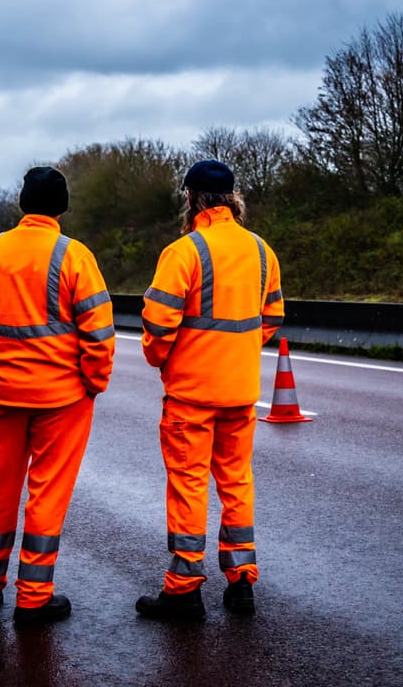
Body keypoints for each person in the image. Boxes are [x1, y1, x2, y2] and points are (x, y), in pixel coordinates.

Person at [0, 166, 116, 627]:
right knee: (47, 494)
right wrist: (94, 381)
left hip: (7, 396)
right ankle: (33, 598)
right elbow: (98, 331)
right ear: (63, 207)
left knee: (1, 488)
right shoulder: (75, 256)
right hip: (63, 399)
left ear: (22, 203)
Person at [135, 159, 284, 620]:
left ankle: (183, 590)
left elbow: (157, 327)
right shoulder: (262, 251)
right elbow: (272, 318)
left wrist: (164, 358)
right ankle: (241, 582)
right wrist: (235, 355)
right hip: (241, 393)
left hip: (192, 395)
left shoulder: (184, 252)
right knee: (237, 482)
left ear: (190, 198)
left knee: (189, 485)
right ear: (231, 198)